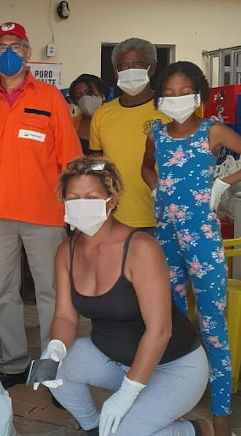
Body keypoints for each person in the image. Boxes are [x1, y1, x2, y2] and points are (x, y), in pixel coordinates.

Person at [40, 155, 210, 436]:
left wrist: (126, 395)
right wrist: (54, 349)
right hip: (114, 360)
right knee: (56, 370)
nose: (82, 205)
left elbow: (160, 330)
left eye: (91, 197)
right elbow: (65, 316)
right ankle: (94, 429)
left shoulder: (141, 248)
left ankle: (196, 430)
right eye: (74, 198)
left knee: (123, 431)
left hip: (174, 368)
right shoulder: (66, 252)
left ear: (112, 200)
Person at [0, 21, 82, 389]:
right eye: (0, 47)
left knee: (50, 293)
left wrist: (74, 204)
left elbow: (70, 158)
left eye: (15, 45)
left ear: (28, 53)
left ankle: (52, 365)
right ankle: (13, 364)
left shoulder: (49, 99)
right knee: (5, 293)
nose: (7, 53)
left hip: (44, 214)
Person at [141, 61, 241, 436]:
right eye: (169, 92)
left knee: (213, 328)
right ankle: (174, 411)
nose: (177, 98)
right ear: (159, 97)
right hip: (165, 238)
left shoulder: (211, 131)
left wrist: (223, 184)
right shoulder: (156, 133)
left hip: (203, 240)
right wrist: (155, 188)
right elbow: (145, 168)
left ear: (198, 94)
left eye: (185, 92)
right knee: (171, 325)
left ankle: (221, 420)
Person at [89, 37, 171, 233]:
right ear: (116, 71)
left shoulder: (169, 110)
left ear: (151, 68)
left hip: (162, 216)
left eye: (137, 65)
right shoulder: (102, 114)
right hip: (114, 217)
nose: (129, 71)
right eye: (123, 66)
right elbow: (95, 162)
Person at [68, 74, 108, 154]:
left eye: (89, 93)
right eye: (79, 96)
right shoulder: (72, 124)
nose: (85, 99)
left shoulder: (114, 119)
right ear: (75, 102)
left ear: (102, 94)